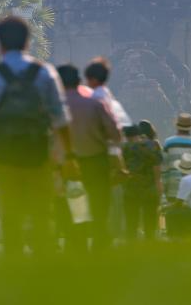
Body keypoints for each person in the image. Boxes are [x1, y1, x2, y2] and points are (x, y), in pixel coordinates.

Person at [0, 16, 75, 258]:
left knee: (11, 217)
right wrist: (69, 156)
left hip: (5, 159)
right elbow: (61, 120)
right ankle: (42, 267)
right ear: (28, 41)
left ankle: (14, 267)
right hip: (39, 155)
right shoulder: (45, 73)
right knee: (42, 214)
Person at [58, 64, 122, 249]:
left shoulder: (53, 109)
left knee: (70, 209)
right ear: (79, 81)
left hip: (66, 166)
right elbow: (115, 134)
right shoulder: (95, 104)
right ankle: (99, 244)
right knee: (99, 208)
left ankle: (75, 244)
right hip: (95, 162)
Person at [121, 124, 162, 241]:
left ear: (126, 136)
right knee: (150, 220)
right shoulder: (152, 145)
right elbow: (157, 165)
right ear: (138, 135)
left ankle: (131, 244)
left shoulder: (124, 147)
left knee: (131, 221)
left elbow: (121, 167)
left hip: (130, 188)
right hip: (149, 187)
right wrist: (158, 182)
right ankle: (150, 242)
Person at [161, 113, 191, 200]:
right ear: (190, 127)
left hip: (172, 189)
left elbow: (164, 169)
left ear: (177, 126)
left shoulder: (168, 142)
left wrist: (164, 188)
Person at [84, 57, 131, 127]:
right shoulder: (107, 94)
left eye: (88, 79)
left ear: (94, 80)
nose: (86, 82)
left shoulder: (96, 97)